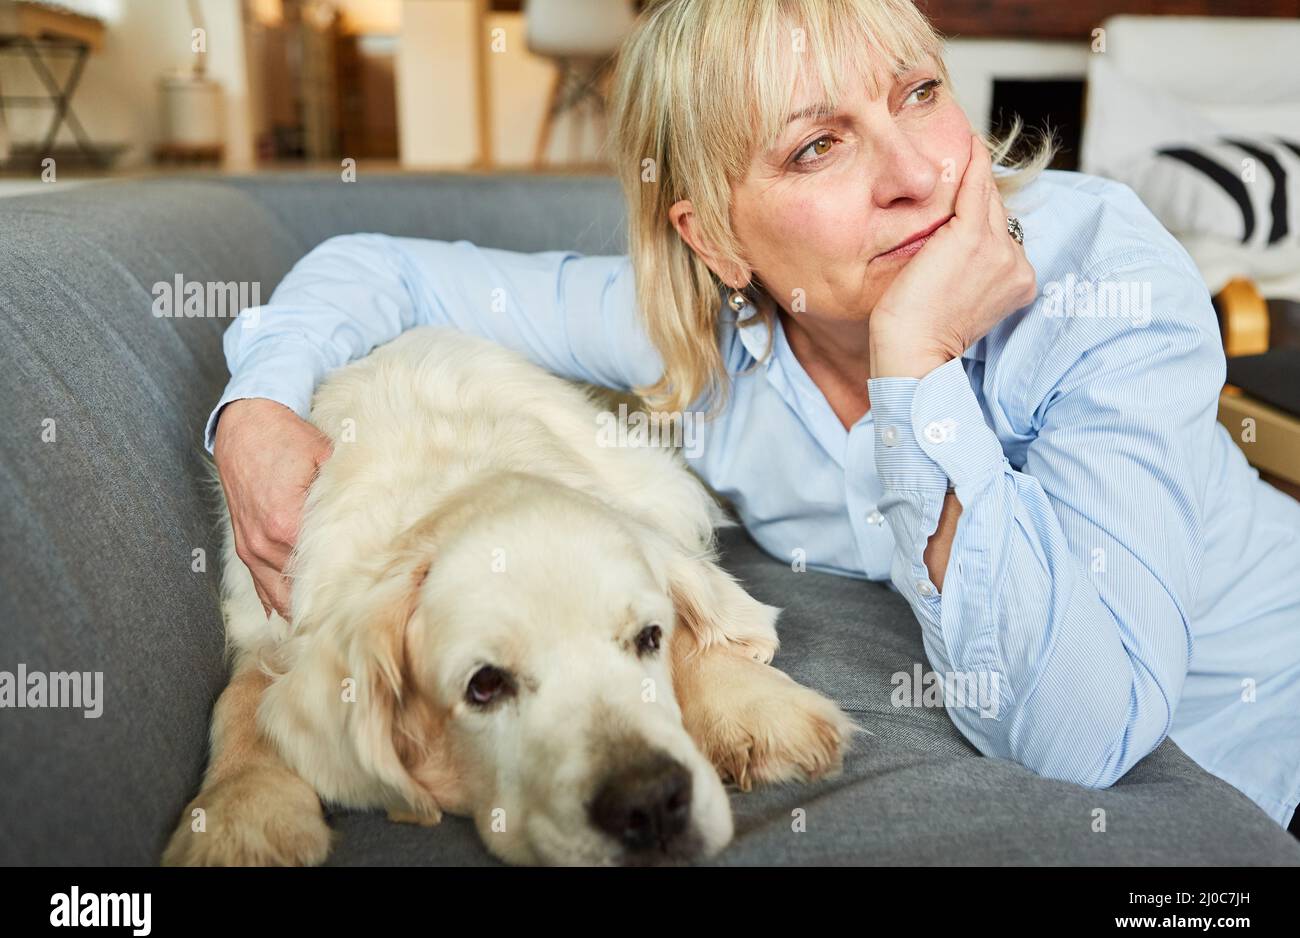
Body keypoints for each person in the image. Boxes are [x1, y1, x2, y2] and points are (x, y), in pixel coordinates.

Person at [205, 0, 1300, 833]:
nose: (920, 172)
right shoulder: (696, 334)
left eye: (918, 92)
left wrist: (912, 368)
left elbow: (1082, 731)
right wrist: (255, 405)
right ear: (717, 240)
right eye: (817, 145)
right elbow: (379, 268)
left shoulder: (1102, 274)